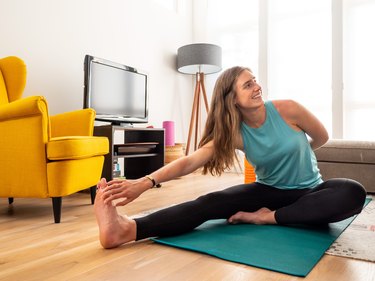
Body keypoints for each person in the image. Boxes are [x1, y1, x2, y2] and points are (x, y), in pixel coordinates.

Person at [94, 66, 366, 249]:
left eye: (255, 81)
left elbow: (322, 137)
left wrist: (297, 150)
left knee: (352, 192)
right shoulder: (234, 132)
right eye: (248, 85)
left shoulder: (288, 109)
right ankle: (126, 230)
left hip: (310, 192)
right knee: (210, 202)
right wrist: (145, 182)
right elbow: (191, 161)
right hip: (268, 191)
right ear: (233, 99)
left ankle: (266, 218)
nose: (257, 87)